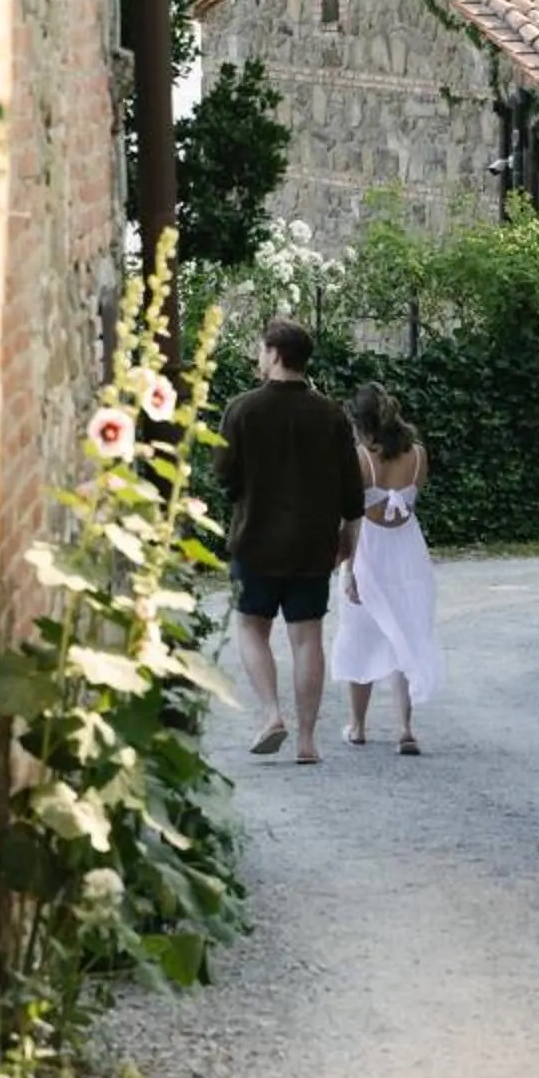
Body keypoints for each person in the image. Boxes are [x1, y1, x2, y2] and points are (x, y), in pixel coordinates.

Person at [218, 316, 364, 766]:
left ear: (275, 353)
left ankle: (270, 714)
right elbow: (352, 494)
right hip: (312, 544)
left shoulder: (242, 409)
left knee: (250, 627)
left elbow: (224, 477)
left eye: (262, 350)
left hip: (255, 539)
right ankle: (306, 741)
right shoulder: (331, 414)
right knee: (307, 639)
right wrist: (348, 546)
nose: (258, 358)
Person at [331, 381, 443, 756]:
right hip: (408, 551)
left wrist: (347, 569)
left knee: (358, 633)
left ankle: (358, 726)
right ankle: (405, 728)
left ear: (359, 423)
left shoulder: (361, 459)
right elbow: (414, 499)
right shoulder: (418, 456)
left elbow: (351, 516)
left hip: (370, 550)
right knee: (406, 631)